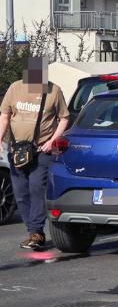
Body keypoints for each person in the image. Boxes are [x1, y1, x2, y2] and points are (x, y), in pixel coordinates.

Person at [0, 57, 70, 250]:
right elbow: (5, 116)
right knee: (21, 193)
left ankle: (37, 232)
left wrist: (52, 140)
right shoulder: (15, 88)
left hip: (41, 150)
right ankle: (32, 229)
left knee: (36, 189)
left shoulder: (54, 91)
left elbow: (64, 118)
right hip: (17, 150)